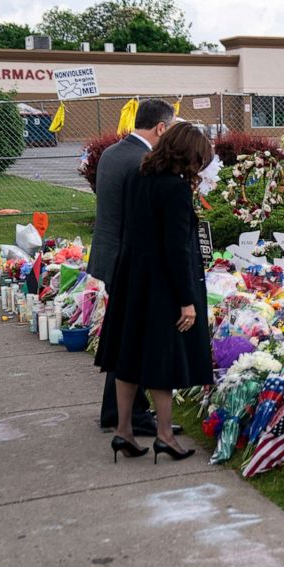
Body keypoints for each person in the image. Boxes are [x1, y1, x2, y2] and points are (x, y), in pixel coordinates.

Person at [96, 123, 214, 463]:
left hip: (133, 276)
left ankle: (123, 431)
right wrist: (187, 300)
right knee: (161, 357)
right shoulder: (175, 189)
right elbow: (177, 249)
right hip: (162, 282)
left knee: (128, 355)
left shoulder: (140, 175)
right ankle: (164, 435)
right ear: (189, 155)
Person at [88, 98, 179, 437]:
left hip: (110, 253)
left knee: (126, 333)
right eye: (169, 129)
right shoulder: (143, 161)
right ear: (160, 128)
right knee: (136, 337)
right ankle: (132, 414)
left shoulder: (113, 153)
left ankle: (117, 411)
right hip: (131, 260)